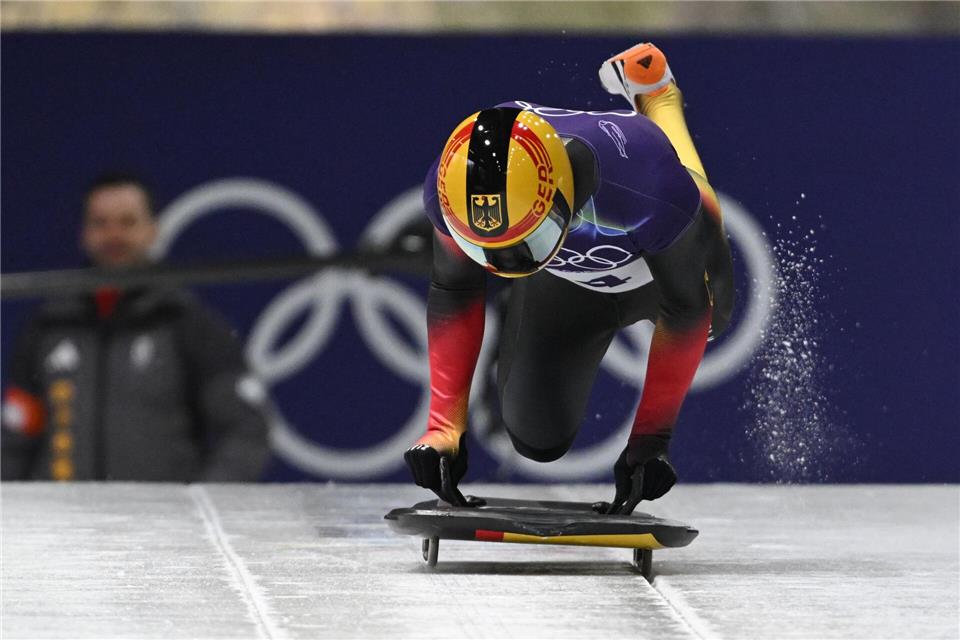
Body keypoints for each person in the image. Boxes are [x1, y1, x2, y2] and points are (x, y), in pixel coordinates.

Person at [405, 43, 735, 514]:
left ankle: (657, 97)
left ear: (563, 196)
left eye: (527, 243)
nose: (509, 262)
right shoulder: (451, 187)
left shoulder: (643, 186)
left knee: (711, 315)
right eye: (493, 251)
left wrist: (650, 440)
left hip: (659, 269)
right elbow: (455, 289)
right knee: (536, 438)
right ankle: (547, 261)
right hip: (566, 285)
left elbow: (685, 308)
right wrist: (442, 429)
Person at [1, 173, 272, 481]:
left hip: (160, 525)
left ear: (153, 231)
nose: (113, 235)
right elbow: (14, 439)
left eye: (128, 222)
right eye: (100, 223)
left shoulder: (187, 322)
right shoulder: (49, 324)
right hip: (62, 523)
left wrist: (202, 504)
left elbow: (245, 429)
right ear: (84, 233)